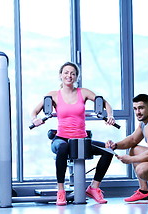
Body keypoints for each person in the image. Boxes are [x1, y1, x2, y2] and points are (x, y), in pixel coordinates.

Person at [31, 62, 115, 206]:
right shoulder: (53, 95)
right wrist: (35, 119)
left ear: (76, 77)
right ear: (60, 75)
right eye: (66, 72)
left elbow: (105, 103)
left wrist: (110, 115)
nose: (69, 75)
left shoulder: (84, 92)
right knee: (63, 148)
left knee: (108, 151)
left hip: (81, 139)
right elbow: (34, 112)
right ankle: (61, 191)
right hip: (61, 139)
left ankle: (94, 188)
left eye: (72, 73)